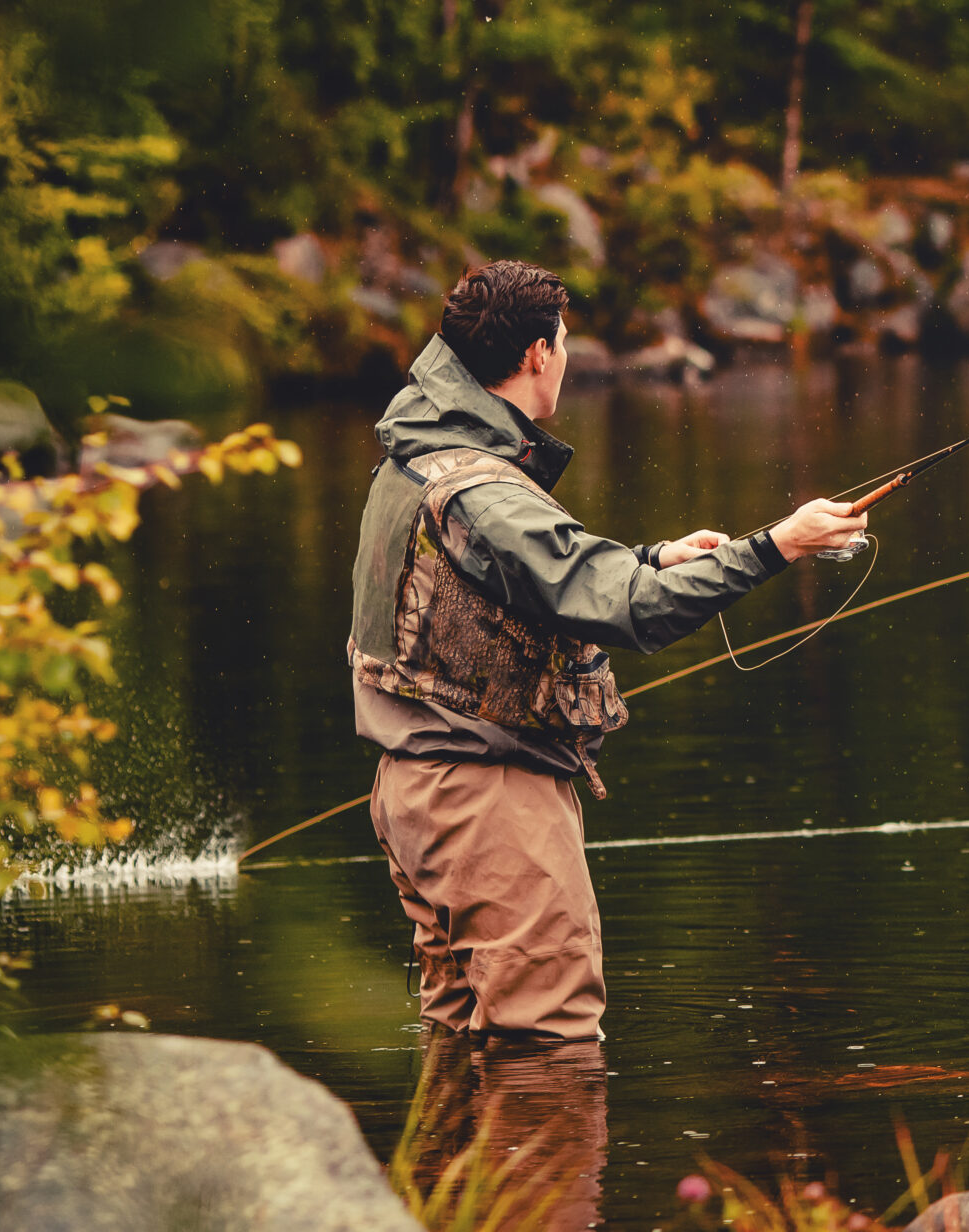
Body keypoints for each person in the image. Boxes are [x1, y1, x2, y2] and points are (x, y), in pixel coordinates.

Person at [348, 259, 863, 1040]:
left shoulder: (416, 456)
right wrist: (778, 545)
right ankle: (548, 1167)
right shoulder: (485, 491)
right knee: (545, 1037)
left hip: (415, 791)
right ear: (536, 356)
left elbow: (512, 581)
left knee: (461, 1035)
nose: (565, 356)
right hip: (487, 804)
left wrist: (653, 559)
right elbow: (628, 610)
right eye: (563, 343)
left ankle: (450, 1169)